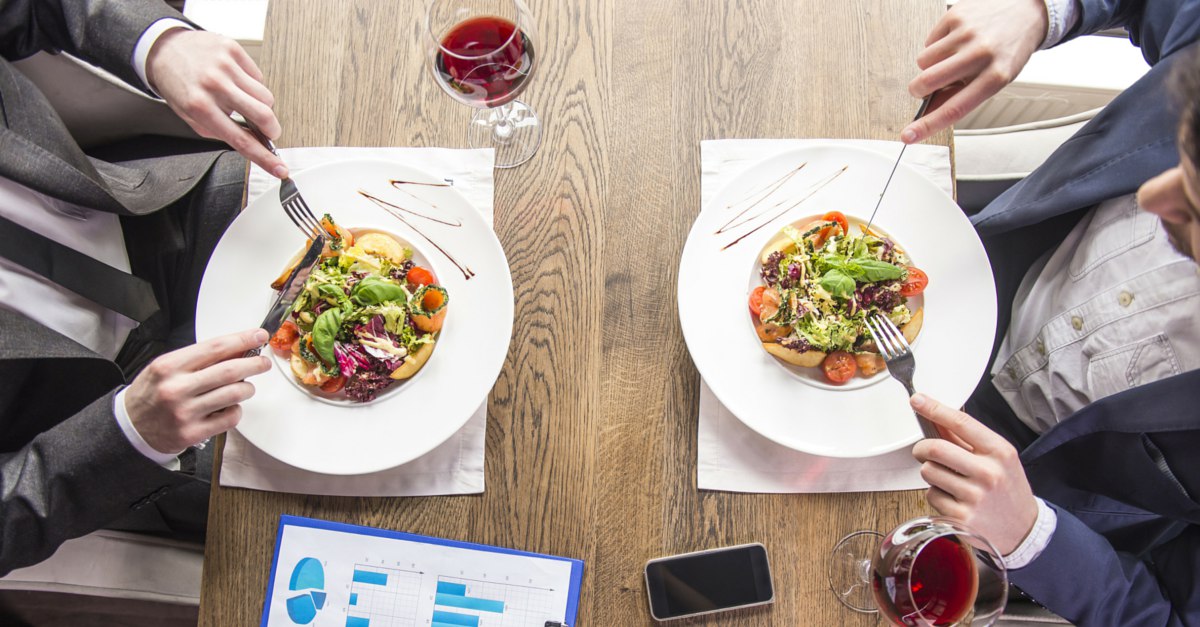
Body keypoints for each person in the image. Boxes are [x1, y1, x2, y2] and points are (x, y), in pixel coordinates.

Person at [903, 0, 1200, 623]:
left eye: (1193, 208)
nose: (1152, 194)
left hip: (999, 497)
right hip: (977, 268)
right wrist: (1042, 12)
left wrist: (1029, 535)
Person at [0, 0, 290, 574]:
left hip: (143, 219)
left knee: (363, 208)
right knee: (339, 489)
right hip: (103, 424)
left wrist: (158, 43)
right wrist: (129, 433)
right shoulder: (120, 433)